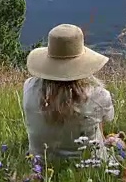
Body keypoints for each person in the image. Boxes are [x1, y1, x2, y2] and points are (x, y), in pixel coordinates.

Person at [23, 23, 115, 160]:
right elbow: (101, 131)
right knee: (117, 142)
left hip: (41, 164)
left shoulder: (29, 87)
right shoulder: (99, 96)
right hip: (91, 167)